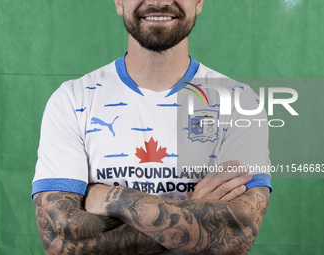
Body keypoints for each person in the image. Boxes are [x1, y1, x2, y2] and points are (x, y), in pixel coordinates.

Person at [32, 0, 272, 254]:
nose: (159, 2)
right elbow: (61, 241)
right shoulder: (73, 99)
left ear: (199, 2)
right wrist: (194, 214)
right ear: (119, 2)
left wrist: (116, 199)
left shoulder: (239, 102)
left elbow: (237, 235)